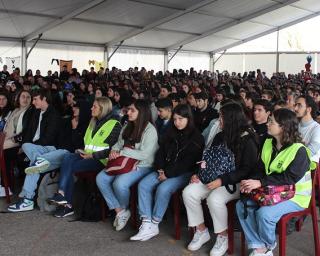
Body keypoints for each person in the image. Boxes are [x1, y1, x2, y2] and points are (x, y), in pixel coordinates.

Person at [183, 102, 259, 256]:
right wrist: (200, 173)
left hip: (237, 182)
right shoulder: (220, 135)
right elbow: (209, 159)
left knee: (215, 199)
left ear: (231, 119)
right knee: (189, 192)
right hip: (214, 178)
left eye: (221, 117)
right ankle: (201, 230)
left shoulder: (248, 139)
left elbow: (247, 169)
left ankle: (222, 237)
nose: (219, 121)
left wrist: (222, 180)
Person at [236, 108, 314, 256]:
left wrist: (260, 182)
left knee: (265, 214)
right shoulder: (267, 142)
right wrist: (252, 182)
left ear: (283, 127)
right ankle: (259, 246)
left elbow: (289, 178)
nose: (267, 123)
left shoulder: (299, 150)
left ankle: (268, 246)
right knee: (242, 205)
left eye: (271, 121)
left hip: (296, 196)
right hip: (272, 191)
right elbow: (260, 167)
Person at [130, 104, 204, 241]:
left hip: (184, 173)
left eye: (181, 119)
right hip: (164, 170)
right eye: (175, 119)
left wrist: (168, 174)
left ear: (188, 118)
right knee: (144, 184)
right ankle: (146, 223)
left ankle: (154, 222)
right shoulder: (170, 132)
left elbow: (188, 162)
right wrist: (160, 168)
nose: (177, 122)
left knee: (163, 188)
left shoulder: (196, 137)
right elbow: (160, 152)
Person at [47, 97, 121, 217]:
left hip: (101, 160)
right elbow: (86, 143)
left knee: (69, 166)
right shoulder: (93, 121)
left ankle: (67, 204)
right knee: (68, 157)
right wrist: (80, 146)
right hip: (87, 156)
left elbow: (112, 150)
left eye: (95, 106)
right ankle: (61, 194)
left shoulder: (114, 124)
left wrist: (92, 155)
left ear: (102, 109)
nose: (92, 108)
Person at [96, 99, 158, 231]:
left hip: (143, 165)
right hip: (123, 162)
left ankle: (124, 208)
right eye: (129, 109)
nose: (128, 112)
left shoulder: (150, 130)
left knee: (119, 183)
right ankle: (120, 211)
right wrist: (114, 151)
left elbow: (145, 155)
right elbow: (118, 144)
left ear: (142, 113)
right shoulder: (127, 125)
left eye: (132, 110)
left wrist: (122, 152)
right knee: (100, 178)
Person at [7, 89, 61, 212]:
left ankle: (27, 199)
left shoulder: (54, 115)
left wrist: (30, 148)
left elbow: (48, 139)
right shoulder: (36, 113)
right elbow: (28, 133)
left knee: (31, 158)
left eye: (35, 99)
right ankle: (38, 161)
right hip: (36, 149)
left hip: (49, 149)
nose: (33, 102)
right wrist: (26, 146)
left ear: (44, 99)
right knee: (28, 150)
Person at [1, 90, 33, 196]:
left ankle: (6, 187)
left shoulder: (30, 112)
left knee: (4, 155)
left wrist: (14, 141)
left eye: (28, 97)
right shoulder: (15, 110)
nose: (25, 99)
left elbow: (27, 132)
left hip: (17, 143)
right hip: (6, 139)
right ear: (18, 99)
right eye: (23, 97)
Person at [294, 95, 320, 162]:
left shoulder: (317, 128)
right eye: (295, 105)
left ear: (309, 109)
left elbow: (311, 151)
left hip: (308, 168)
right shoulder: (295, 125)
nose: (295, 108)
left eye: (299, 105)